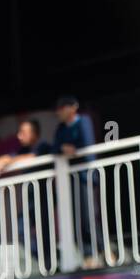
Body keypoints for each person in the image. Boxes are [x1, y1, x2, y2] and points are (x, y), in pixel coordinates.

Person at [0, 118, 55, 261]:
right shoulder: (22, 150)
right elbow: (5, 159)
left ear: (34, 134)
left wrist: (7, 163)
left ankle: (51, 262)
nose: (19, 136)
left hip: (44, 198)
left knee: (44, 235)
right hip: (31, 200)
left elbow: (30, 157)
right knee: (21, 231)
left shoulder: (43, 147)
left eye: (23, 132)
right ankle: (47, 262)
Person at [52, 95, 103, 265]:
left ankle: (105, 250)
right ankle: (88, 256)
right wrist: (62, 148)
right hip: (71, 179)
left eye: (62, 108)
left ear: (73, 107)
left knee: (88, 217)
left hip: (85, 175)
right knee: (78, 220)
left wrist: (71, 148)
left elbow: (86, 144)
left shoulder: (83, 121)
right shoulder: (60, 128)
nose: (59, 112)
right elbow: (55, 147)